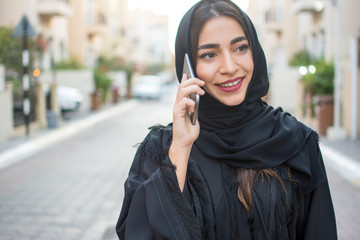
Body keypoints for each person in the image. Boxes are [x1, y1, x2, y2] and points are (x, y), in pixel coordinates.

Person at [116, 0, 337, 239]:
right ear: (189, 67)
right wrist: (180, 147)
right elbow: (139, 233)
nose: (230, 67)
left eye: (240, 48)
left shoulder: (294, 141)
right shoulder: (163, 148)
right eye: (210, 55)